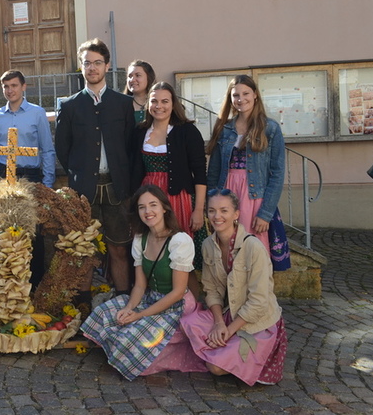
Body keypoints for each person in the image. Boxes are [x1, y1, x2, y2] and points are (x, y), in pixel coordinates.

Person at [81, 184, 204, 381]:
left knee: (129, 339)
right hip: (150, 297)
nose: (148, 211)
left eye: (153, 205)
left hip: (176, 305)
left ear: (165, 208)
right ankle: (130, 349)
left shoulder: (179, 241)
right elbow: (140, 285)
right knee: (102, 313)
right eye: (142, 207)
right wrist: (129, 308)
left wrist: (139, 315)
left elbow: (178, 292)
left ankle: (172, 350)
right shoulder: (141, 239)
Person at [181, 189, 287, 385]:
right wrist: (219, 323)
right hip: (228, 313)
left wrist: (228, 331)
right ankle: (223, 350)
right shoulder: (207, 245)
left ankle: (227, 354)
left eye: (224, 210)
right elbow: (211, 290)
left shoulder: (253, 247)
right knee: (188, 322)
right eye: (212, 211)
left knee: (215, 368)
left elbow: (259, 302)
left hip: (255, 321)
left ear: (236, 214)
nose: (217, 216)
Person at [55, 38, 135, 299]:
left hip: (116, 187)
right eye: (87, 63)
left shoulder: (123, 104)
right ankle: (81, 305)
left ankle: (123, 299)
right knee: (84, 250)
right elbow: (62, 149)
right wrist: (79, 173)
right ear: (81, 67)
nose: (92, 68)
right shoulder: (69, 105)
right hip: (84, 191)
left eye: (97, 62)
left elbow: (130, 145)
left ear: (107, 66)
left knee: (119, 248)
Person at [206, 75, 290, 271]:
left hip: (253, 197)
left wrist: (266, 213)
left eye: (245, 94)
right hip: (226, 194)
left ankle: (255, 290)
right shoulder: (224, 128)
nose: (241, 99)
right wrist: (210, 205)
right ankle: (230, 289)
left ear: (255, 95)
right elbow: (214, 171)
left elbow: (277, 174)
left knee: (252, 251)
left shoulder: (270, 128)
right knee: (226, 246)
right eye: (236, 95)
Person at [0, 69, 56, 287]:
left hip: (30, 175)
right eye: (6, 87)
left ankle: (35, 283)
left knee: (33, 229)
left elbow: (47, 149)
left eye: (14, 86)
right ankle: (8, 283)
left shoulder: (37, 113)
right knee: (3, 228)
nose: (10, 90)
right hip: (5, 175)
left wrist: (47, 183)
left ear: (23, 87)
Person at [134, 82, 207, 271]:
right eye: (154, 101)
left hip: (178, 198)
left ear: (173, 104)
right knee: (153, 248)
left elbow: (200, 173)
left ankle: (186, 290)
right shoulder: (140, 132)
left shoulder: (187, 131)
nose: (159, 106)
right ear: (148, 104)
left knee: (180, 253)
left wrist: (199, 209)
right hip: (149, 198)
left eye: (165, 101)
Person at [125, 60, 156, 124]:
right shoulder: (120, 106)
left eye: (138, 75)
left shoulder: (158, 105)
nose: (132, 80)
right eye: (130, 76)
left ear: (149, 78)